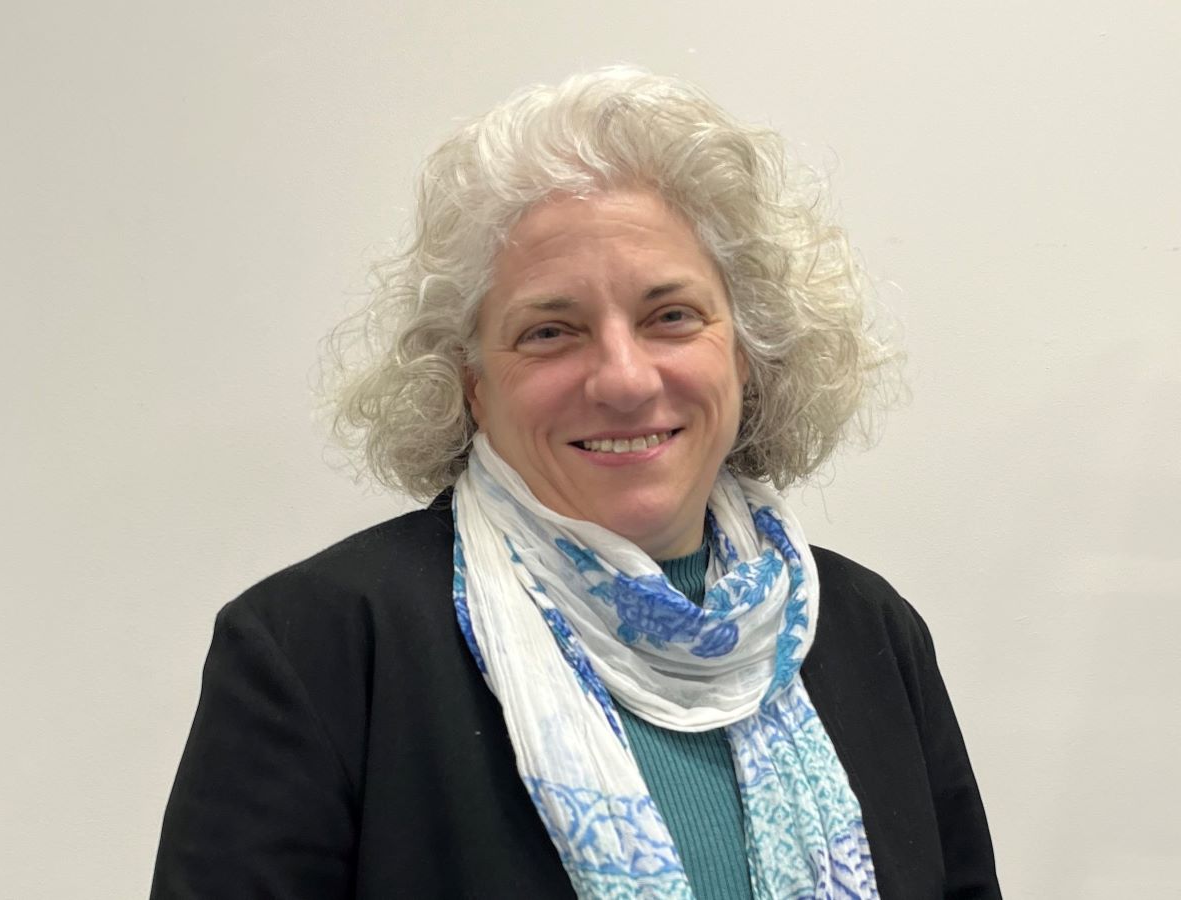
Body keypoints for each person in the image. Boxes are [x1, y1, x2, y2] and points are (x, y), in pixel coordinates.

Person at [151, 68, 1001, 899]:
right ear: (471, 383)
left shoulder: (868, 634)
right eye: (551, 331)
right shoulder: (320, 651)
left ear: (745, 352)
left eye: (671, 316)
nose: (625, 379)